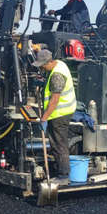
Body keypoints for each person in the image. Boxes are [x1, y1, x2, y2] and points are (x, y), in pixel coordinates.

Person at [32, 49, 77, 179]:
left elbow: (54, 100)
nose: (41, 68)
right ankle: (59, 171)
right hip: (62, 111)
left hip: (60, 114)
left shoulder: (57, 75)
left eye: (42, 66)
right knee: (57, 144)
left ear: (49, 62)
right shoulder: (59, 64)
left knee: (59, 144)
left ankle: (63, 175)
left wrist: (44, 118)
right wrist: (43, 83)